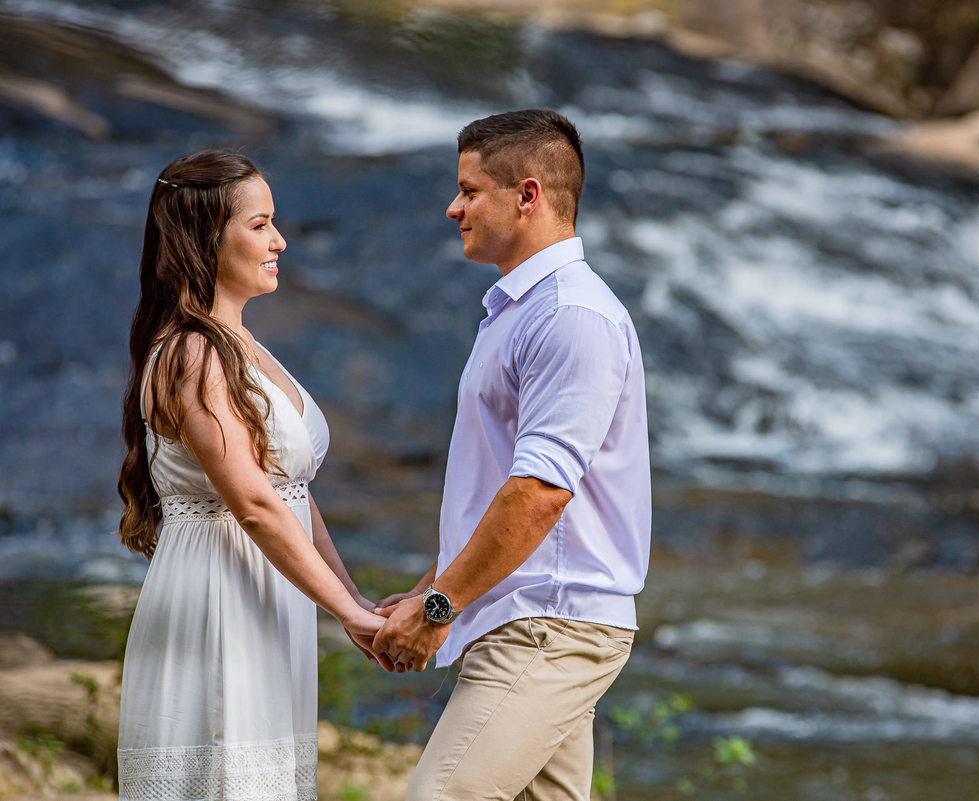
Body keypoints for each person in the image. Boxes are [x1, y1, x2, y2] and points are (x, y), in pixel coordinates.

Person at [372, 109, 652, 801]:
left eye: (470, 189)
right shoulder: (522, 310)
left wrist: (439, 607)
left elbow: (540, 493)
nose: (453, 206)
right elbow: (500, 482)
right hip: (530, 616)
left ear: (527, 195)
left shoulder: (569, 315)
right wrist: (428, 588)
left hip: (552, 625)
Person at [114, 151, 383, 800]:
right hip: (219, 599)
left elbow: (292, 493)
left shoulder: (243, 346)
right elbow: (255, 504)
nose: (279, 240)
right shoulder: (190, 352)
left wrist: (352, 606)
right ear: (208, 238)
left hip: (270, 599)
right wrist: (347, 609)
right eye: (260, 225)